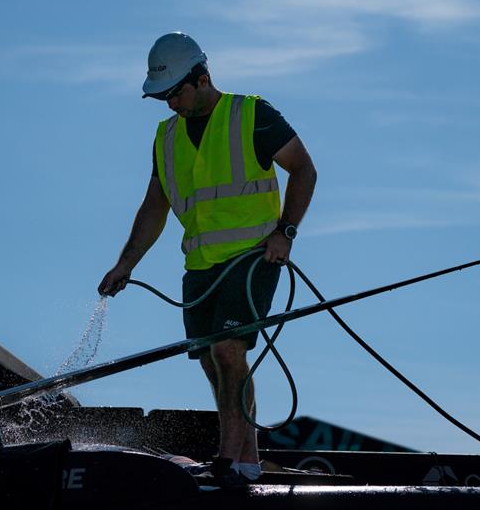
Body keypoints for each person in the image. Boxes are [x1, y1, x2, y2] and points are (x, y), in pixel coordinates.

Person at [98, 32, 316, 485]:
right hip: (199, 267)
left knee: (229, 350)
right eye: (161, 97)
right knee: (212, 362)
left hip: (253, 258)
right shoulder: (166, 137)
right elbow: (154, 206)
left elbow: (304, 168)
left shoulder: (252, 114)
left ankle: (225, 461)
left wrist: (286, 232)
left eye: (174, 93)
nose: (169, 104)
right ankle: (248, 460)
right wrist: (125, 265)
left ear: (202, 78)